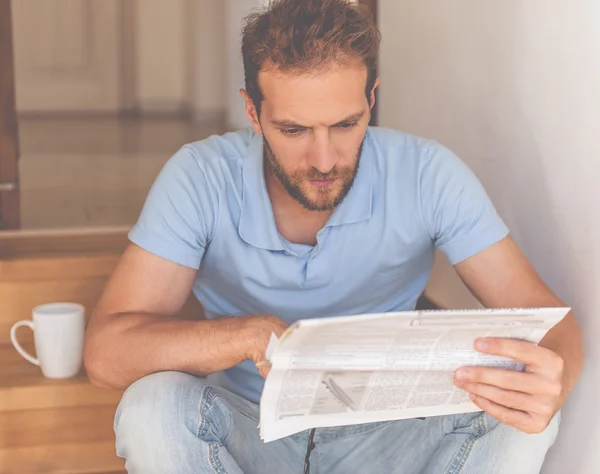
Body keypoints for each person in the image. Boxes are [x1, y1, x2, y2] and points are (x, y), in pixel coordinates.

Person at [83, 0, 583, 472]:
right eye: (294, 130)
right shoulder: (200, 177)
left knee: (524, 416)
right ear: (253, 113)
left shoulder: (427, 173)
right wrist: (247, 335)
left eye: (346, 124)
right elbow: (106, 354)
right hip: (248, 430)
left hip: (389, 435)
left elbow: (555, 326)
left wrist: (549, 383)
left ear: (372, 98)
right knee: (150, 407)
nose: (324, 161)